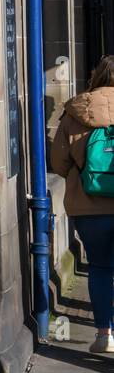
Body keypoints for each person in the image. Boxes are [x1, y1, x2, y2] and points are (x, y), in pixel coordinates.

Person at [50, 55, 114, 354]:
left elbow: (58, 162)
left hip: (88, 207)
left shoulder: (76, 110)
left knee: (100, 268)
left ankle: (104, 334)